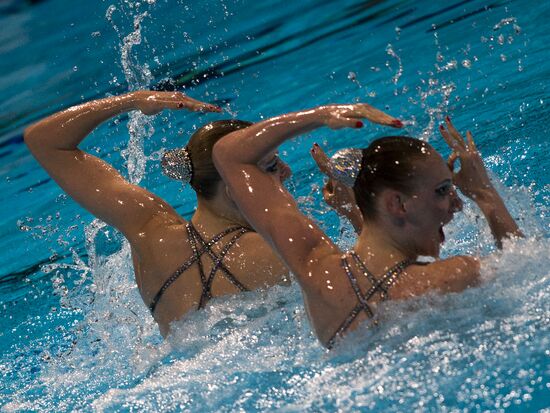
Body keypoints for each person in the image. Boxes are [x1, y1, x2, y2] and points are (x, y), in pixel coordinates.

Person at [213, 103, 523, 348]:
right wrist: (485, 194)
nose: (457, 204)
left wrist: (321, 115)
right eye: (443, 190)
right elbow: (529, 271)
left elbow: (229, 154)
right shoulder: (456, 275)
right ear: (397, 205)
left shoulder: (317, 273)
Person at [24, 90, 292, 337]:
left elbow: (45, 141)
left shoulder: (149, 232)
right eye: (271, 166)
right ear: (233, 187)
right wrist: (337, 209)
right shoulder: (278, 251)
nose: (286, 172)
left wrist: (134, 100)